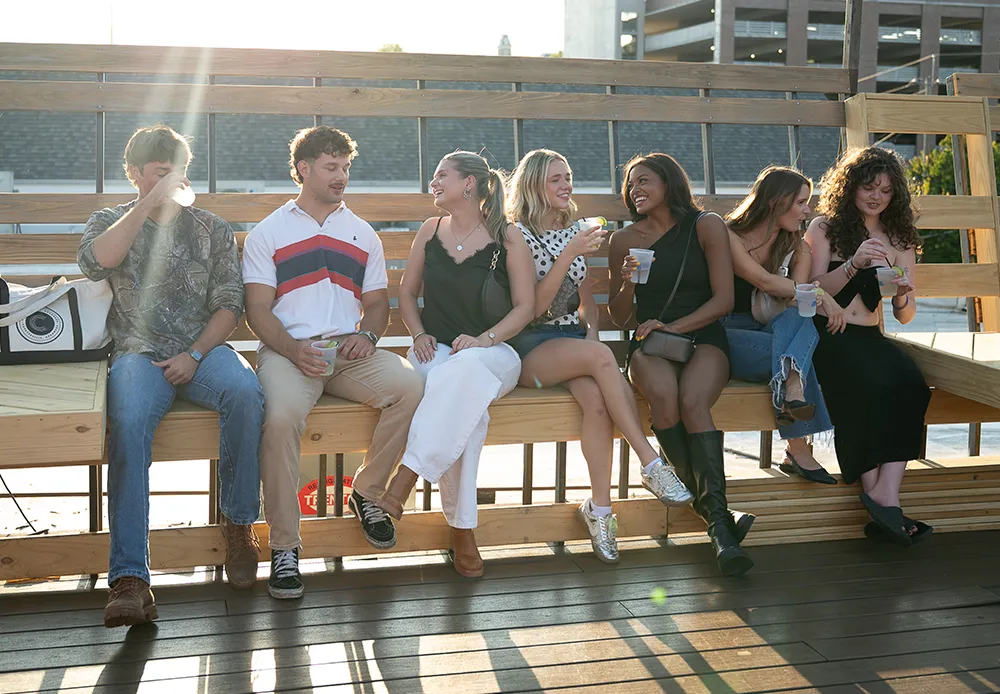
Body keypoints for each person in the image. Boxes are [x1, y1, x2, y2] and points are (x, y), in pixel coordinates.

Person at [78, 125, 264, 627]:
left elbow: (230, 304)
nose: (172, 180)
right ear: (136, 173)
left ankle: (239, 526)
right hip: (136, 354)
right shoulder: (110, 220)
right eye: (160, 172)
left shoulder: (211, 228)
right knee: (130, 420)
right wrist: (147, 205)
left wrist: (197, 354)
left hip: (203, 350)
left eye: (177, 171)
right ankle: (131, 580)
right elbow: (97, 263)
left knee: (247, 392)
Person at [243, 126, 424, 599]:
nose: (341, 176)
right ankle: (285, 548)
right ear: (304, 169)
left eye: (345, 167)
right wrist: (290, 348)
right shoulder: (269, 232)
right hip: (288, 352)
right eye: (331, 167)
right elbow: (257, 310)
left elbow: (378, 305)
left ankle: (366, 495)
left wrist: (367, 335)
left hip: (348, 353)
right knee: (280, 417)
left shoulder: (362, 233)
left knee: (411, 388)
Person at [505, 149, 691, 564]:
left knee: (597, 405)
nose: (566, 185)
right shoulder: (516, 233)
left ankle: (600, 512)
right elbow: (533, 308)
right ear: (534, 184)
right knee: (603, 358)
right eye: (556, 178)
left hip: (573, 344)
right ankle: (651, 463)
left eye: (568, 176)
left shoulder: (573, 229)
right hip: (531, 345)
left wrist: (590, 330)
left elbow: (585, 295)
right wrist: (571, 251)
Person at [378, 151, 535, 578]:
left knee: (461, 376)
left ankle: (405, 478)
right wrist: (418, 334)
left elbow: (525, 308)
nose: (433, 182)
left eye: (441, 175)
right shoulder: (429, 231)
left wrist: (484, 339)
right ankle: (462, 530)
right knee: (467, 410)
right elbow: (408, 294)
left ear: (469, 184)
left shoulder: (509, 237)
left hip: (494, 354)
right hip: (434, 352)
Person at [608, 153, 753, 577]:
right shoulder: (623, 240)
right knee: (665, 399)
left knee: (693, 401)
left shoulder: (706, 225)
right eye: (631, 185)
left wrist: (672, 325)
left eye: (645, 181)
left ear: (670, 183)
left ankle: (714, 520)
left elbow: (723, 301)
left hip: (703, 334)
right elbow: (620, 319)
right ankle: (721, 526)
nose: (635, 190)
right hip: (649, 344)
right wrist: (627, 283)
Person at [805, 146, 931, 547]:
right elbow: (808, 292)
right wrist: (854, 264)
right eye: (868, 186)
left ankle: (884, 494)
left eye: (886, 191)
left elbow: (905, 315)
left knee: (911, 384)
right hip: (829, 334)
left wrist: (902, 296)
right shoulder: (824, 228)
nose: (876, 196)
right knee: (868, 386)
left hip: (871, 335)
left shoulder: (900, 238)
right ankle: (881, 497)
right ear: (851, 186)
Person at [723, 166, 845, 484]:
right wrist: (824, 298)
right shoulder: (728, 235)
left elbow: (794, 302)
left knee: (798, 319)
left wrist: (811, 297)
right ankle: (798, 445)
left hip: (770, 328)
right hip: (724, 333)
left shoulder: (798, 247)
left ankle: (793, 390)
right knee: (796, 360)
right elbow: (762, 280)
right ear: (777, 201)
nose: (807, 210)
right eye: (801, 202)